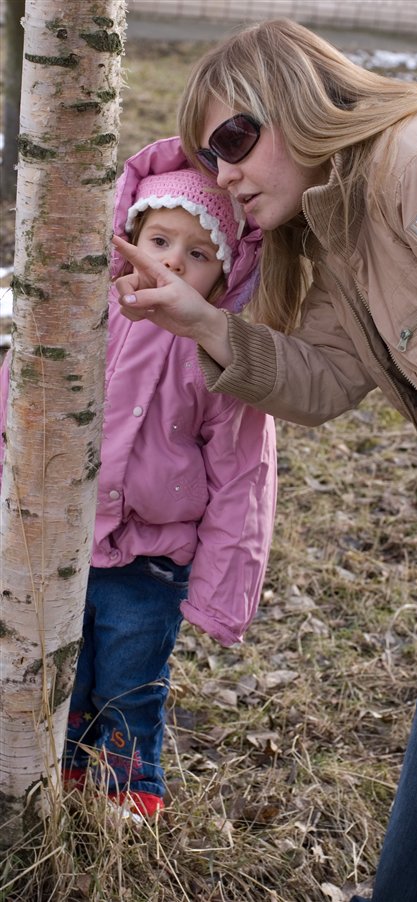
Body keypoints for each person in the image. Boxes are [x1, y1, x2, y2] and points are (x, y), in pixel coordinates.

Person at [111, 18, 417, 899]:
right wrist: (201, 320)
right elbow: (328, 379)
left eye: (232, 140)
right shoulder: (343, 219)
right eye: (206, 153)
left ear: (296, 101)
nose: (221, 174)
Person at [0, 136, 277, 818]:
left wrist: (221, 594)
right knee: (66, 673)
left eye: (198, 253)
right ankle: (60, 784)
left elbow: (245, 478)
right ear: (127, 236)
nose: (172, 262)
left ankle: (130, 796)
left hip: (152, 562)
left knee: (131, 682)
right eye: (159, 239)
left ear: (228, 271)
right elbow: (18, 404)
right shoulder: (77, 317)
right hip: (59, 543)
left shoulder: (220, 354)